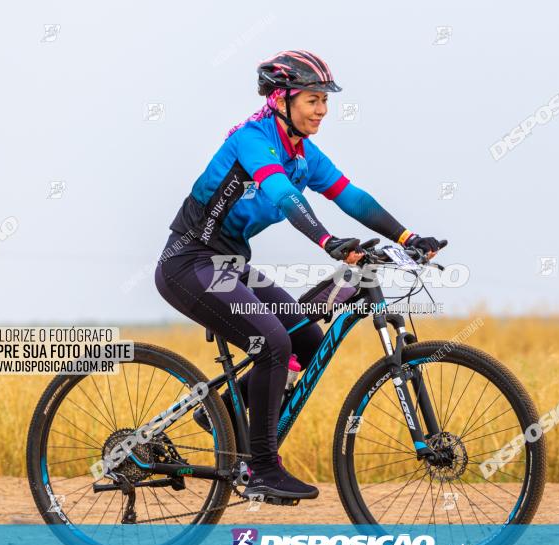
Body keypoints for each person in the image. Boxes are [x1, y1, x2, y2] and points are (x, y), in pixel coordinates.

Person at [154, 49, 444, 500]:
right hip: (189, 263)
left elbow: (352, 197)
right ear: (281, 99)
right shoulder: (252, 140)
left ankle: (223, 411)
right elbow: (285, 197)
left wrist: (408, 238)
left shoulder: (304, 154)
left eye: (325, 100)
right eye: (313, 99)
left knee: (306, 338)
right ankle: (262, 469)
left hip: (231, 264)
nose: (322, 110)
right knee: (273, 342)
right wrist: (329, 243)